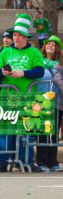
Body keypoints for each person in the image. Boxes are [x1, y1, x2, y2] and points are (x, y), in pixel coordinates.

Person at [0, 13, 45, 173]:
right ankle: (0, 161)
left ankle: (25, 161)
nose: (16, 38)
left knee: (26, 131)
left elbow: (40, 71)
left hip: (28, 97)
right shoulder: (6, 52)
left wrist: (24, 73)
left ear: (26, 37)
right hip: (7, 97)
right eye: (14, 35)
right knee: (4, 130)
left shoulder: (34, 53)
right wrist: (4, 73)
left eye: (19, 35)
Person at [36, 36, 63, 172]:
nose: (50, 46)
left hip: (57, 104)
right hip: (42, 103)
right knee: (43, 133)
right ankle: (42, 161)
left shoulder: (61, 64)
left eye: (53, 45)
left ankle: (53, 162)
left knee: (53, 134)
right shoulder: (39, 63)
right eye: (48, 44)